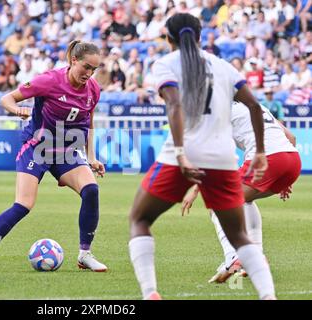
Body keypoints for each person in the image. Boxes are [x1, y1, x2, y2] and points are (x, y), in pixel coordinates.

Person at [128, 13, 276, 300]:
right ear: (199, 36)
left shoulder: (165, 63)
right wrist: (259, 152)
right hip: (222, 159)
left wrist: (182, 154)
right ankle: (268, 296)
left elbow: (174, 105)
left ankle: (150, 294)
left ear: (168, 38)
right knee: (240, 237)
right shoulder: (223, 67)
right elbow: (256, 106)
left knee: (139, 219)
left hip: (181, 156)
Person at [0, 40, 107, 273]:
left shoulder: (93, 89)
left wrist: (91, 156)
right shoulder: (50, 80)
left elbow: (88, 122)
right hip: (37, 147)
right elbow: (6, 99)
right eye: (86, 67)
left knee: (91, 190)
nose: (89, 74)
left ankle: (85, 254)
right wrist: (17, 110)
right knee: (24, 204)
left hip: (65, 151)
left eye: (94, 69)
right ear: (73, 61)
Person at [181, 101, 301, 283]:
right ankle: (256, 257)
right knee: (244, 200)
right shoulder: (256, 105)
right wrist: (284, 179)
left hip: (267, 160)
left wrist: (196, 189)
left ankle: (233, 258)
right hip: (292, 160)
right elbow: (291, 138)